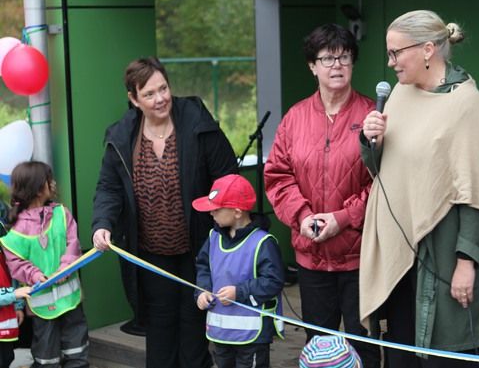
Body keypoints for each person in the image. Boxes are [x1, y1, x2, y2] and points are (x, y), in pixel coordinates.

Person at [359, 10, 479, 367]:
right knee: (401, 352)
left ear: (428, 49)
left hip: (444, 255)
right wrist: (371, 141)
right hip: (402, 254)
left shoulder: (467, 105)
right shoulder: (399, 94)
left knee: (448, 355)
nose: (390, 62)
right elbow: (385, 171)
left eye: (396, 52)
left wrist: (465, 263)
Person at [91, 57, 238, 368]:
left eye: (163, 89)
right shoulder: (122, 135)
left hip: (197, 249)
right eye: (149, 94)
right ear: (133, 99)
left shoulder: (196, 120)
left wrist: (227, 224)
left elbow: (228, 176)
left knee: (193, 326)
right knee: (159, 328)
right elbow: (109, 189)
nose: (160, 99)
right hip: (151, 254)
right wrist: (102, 224)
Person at [264, 24, 379, 367]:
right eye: (327, 58)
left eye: (344, 56)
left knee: (367, 348)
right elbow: (278, 176)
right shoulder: (295, 118)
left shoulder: (373, 115)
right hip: (311, 257)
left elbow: (386, 183)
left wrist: (342, 219)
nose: (336, 65)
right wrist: (302, 216)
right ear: (312, 66)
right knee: (319, 351)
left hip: (362, 257)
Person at [193, 174, 284, 368]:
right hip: (220, 333)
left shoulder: (262, 242)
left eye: (216, 209)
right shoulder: (213, 237)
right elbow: (203, 268)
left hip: (252, 337)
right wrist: (202, 291)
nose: (211, 214)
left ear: (236, 212)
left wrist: (239, 291)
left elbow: (273, 281)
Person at [2, 161, 89, 367]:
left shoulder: (62, 214)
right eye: (50, 180)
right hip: (42, 308)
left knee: (77, 352)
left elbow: (73, 243)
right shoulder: (15, 233)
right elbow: (16, 264)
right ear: (39, 188)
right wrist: (34, 275)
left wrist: (64, 268)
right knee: (46, 358)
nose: (54, 184)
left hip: (71, 302)